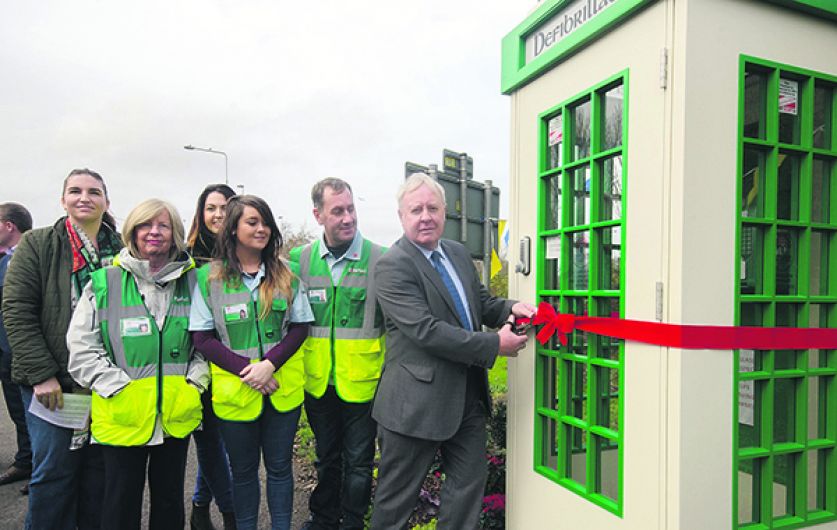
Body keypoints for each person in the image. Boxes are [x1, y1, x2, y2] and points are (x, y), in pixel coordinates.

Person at [369, 173, 535, 530]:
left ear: (445, 212)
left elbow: (479, 303)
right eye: (416, 209)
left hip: (467, 400)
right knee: (395, 506)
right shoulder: (392, 265)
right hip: (413, 407)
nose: (425, 216)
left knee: (465, 496)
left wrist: (510, 308)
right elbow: (427, 332)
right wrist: (495, 345)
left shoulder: (457, 253)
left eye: (432, 207)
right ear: (401, 216)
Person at [66, 198, 208, 529]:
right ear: (133, 231)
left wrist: (195, 384)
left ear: (175, 233)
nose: (154, 232)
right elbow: (81, 347)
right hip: (122, 413)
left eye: (163, 225)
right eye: (145, 225)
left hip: (176, 413)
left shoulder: (195, 282)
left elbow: (206, 345)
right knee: (119, 502)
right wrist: (117, 386)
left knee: (170, 501)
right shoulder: (104, 282)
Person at [4, 168, 122, 530]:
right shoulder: (38, 244)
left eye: (93, 191)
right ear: (63, 199)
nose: (84, 197)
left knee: (97, 474)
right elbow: (17, 311)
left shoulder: (120, 249)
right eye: (75, 191)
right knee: (54, 471)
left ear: (106, 201)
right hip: (56, 383)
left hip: (104, 383)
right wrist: (41, 375)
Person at [190, 195, 313, 530]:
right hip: (236, 395)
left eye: (265, 222)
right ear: (233, 229)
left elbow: (300, 327)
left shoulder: (286, 275)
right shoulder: (207, 279)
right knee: (243, 475)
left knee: (279, 470)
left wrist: (269, 365)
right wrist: (251, 372)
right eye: (252, 222)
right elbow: (203, 339)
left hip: (281, 392)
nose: (262, 229)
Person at [289, 178, 385, 530]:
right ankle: (324, 518)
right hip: (317, 382)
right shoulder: (300, 261)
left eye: (351, 209)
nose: (348, 218)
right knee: (326, 457)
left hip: (363, 382)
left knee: (359, 461)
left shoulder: (380, 259)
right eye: (337, 211)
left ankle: (353, 521)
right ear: (318, 215)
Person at [186, 183, 237, 530]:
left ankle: (200, 505)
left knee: (216, 440)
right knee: (210, 441)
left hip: (233, 359)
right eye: (210, 208)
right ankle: (233, 515)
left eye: (224, 207)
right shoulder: (186, 256)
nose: (217, 214)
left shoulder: (245, 251)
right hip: (197, 357)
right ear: (201, 213)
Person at [0, 203, 34, 494]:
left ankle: (39, 467)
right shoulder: (2, 259)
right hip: (5, 347)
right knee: (16, 410)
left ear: (8, 225)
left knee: (33, 411)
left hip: (23, 349)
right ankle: (28, 460)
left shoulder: (32, 254)